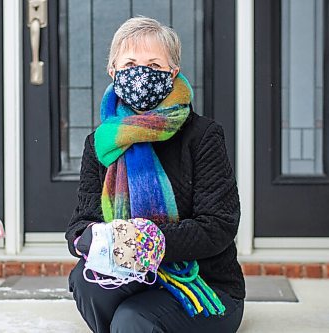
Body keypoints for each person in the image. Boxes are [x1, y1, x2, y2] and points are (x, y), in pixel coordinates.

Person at [65, 16, 245, 333]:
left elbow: (219, 225)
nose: (141, 73)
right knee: (85, 281)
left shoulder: (202, 136)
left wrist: (149, 242)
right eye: (131, 63)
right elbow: (80, 224)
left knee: (133, 318)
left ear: (173, 73)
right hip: (130, 277)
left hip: (203, 283)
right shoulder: (99, 144)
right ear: (114, 72)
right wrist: (92, 239)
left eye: (154, 65)